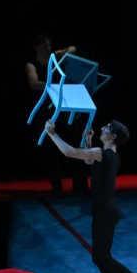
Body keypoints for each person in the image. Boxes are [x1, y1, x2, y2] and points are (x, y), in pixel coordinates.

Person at [45, 119, 137, 273]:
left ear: (113, 136)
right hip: (106, 210)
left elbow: (69, 152)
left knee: (100, 257)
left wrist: (52, 134)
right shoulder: (111, 155)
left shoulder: (104, 153)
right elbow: (88, 160)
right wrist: (88, 141)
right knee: (102, 256)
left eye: (107, 128)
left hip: (106, 212)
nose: (102, 128)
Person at [26, 33, 88, 194]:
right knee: (50, 150)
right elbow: (33, 84)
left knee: (75, 144)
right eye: (45, 45)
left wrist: (61, 53)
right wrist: (54, 86)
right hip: (46, 112)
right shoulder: (32, 65)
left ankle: (80, 186)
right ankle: (56, 187)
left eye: (49, 45)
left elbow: (73, 49)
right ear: (37, 47)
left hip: (63, 109)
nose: (49, 48)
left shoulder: (55, 57)